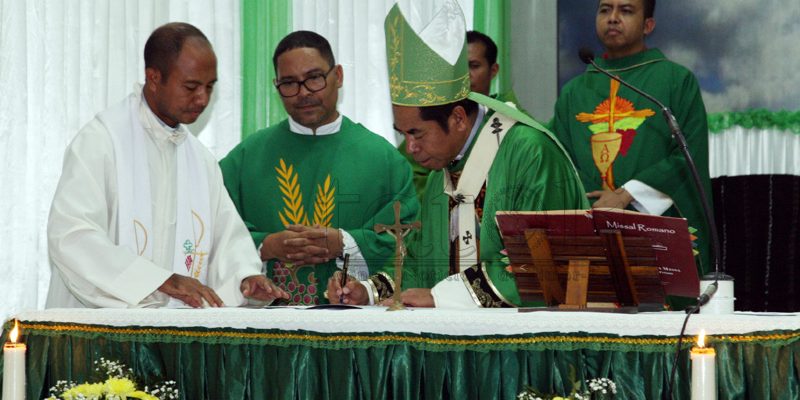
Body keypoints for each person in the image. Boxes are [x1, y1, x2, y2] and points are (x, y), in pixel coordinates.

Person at [332, 0, 588, 308]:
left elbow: (541, 266)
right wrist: (368, 291)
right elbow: (418, 262)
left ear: (457, 118)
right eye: (403, 133)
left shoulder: (528, 154)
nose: (410, 149)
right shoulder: (443, 165)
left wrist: (442, 297)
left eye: (417, 133)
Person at [46, 22, 288, 309]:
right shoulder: (101, 141)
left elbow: (227, 238)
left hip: (172, 336)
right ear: (153, 77)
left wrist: (245, 278)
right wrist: (158, 280)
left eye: (210, 87)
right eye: (191, 86)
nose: (203, 99)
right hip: (97, 331)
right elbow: (72, 236)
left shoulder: (199, 160)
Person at [219, 30, 418, 306]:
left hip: (352, 331)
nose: (303, 94)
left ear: (338, 76)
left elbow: (410, 240)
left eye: (314, 79)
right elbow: (214, 231)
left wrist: (345, 242)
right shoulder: (245, 158)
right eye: (289, 83)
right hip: (268, 330)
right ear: (276, 85)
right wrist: (267, 246)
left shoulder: (384, 159)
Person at [549, 0, 712, 275]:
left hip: (653, 232)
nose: (612, 18)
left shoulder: (675, 81)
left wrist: (626, 196)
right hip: (590, 232)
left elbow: (688, 155)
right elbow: (559, 160)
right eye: (605, 10)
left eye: (626, 11)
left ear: (648, 25)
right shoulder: (574, 92)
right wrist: (594, 205)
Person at [397, 29, 514, 200]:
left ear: (493, 70)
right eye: (457, 68)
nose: (464, 75)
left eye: (473, 66)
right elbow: (408, 181)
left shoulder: (511, 126)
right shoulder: (429, 123)